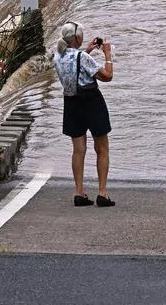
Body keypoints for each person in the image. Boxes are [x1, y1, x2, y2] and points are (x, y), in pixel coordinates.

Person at [54, 21, 114, 207]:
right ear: (78, 38)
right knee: (101, 148)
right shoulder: (82, 57)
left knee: (78, 150)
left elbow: (74, 64)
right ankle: (102, 193)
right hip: (91, 102)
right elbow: (107, 76)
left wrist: (87, 50)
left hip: (71, 103)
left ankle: (79, 192)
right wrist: (108, 55)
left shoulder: (58, 56)